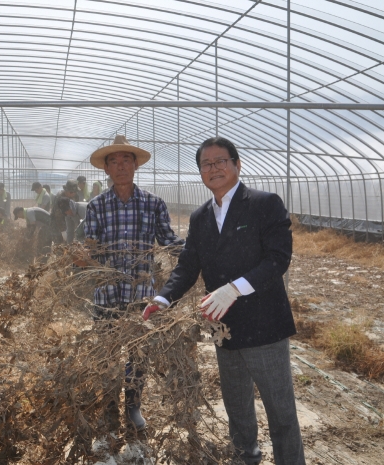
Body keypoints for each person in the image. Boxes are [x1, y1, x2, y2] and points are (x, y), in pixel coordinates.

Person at [143, 137, 304, 465]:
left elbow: (278, 258)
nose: (213, 168)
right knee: (237, 408)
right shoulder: (201, 217)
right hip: (223, 328)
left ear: (237, 164)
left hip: (264, 328)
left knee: (280, 412)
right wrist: (163, 298)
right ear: (200, 172)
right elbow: (188, 265)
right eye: (206, 164)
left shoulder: (263, 203)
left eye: (220, 161)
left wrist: (234, 288)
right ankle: (246, 457)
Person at [81, 134, 184, 431]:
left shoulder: (153, 204)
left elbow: (167, 240)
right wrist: (82, 257)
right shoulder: (97, 206)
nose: (121, 165)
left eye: (126, 159)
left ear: (136, 165)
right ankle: (111, 408)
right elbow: (92, 247)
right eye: (114, 161)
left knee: (139, 353)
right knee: (107, 353)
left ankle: (133, 407)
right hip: (106, 294)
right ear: (106, 169)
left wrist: (198, 249)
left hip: (141, 294)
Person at [50, 180, 79, 244]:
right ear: (69, 192)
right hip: (57, 223)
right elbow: (58, 216)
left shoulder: (75, 196)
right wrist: (63, 231)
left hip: (69, 220)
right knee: (59, 243)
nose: (75, 194)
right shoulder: (60, 198)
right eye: (74, 192)